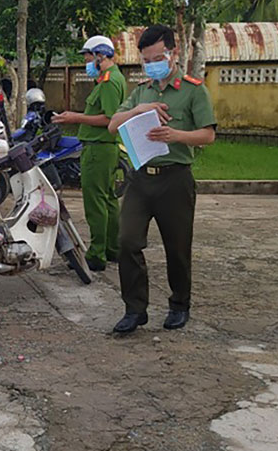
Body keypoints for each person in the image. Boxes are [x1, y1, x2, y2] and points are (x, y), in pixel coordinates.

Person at [107, 25, 217, 333]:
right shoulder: (141, 91)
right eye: (146, 60)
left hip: (175, 179)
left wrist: (175, 135)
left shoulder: (194, 90)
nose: (152, 64)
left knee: (177, 247)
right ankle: (134, 309)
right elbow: (113, 126)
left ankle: (179, 305)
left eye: (158, 57)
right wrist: (140, 109)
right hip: (141, 179)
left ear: (174, 53)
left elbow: (208, 135)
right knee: (126, 241)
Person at [52, 35, 126, 273]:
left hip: (99, 148)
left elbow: (109, 118)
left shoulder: (109, 82)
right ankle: (112, 249)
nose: (86, 64)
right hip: (104, 147)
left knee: (96, 201)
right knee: (108, 199)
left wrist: (76, 117)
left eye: (87, 58)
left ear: (100, 56)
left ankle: (97, 254)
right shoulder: (111, 79)